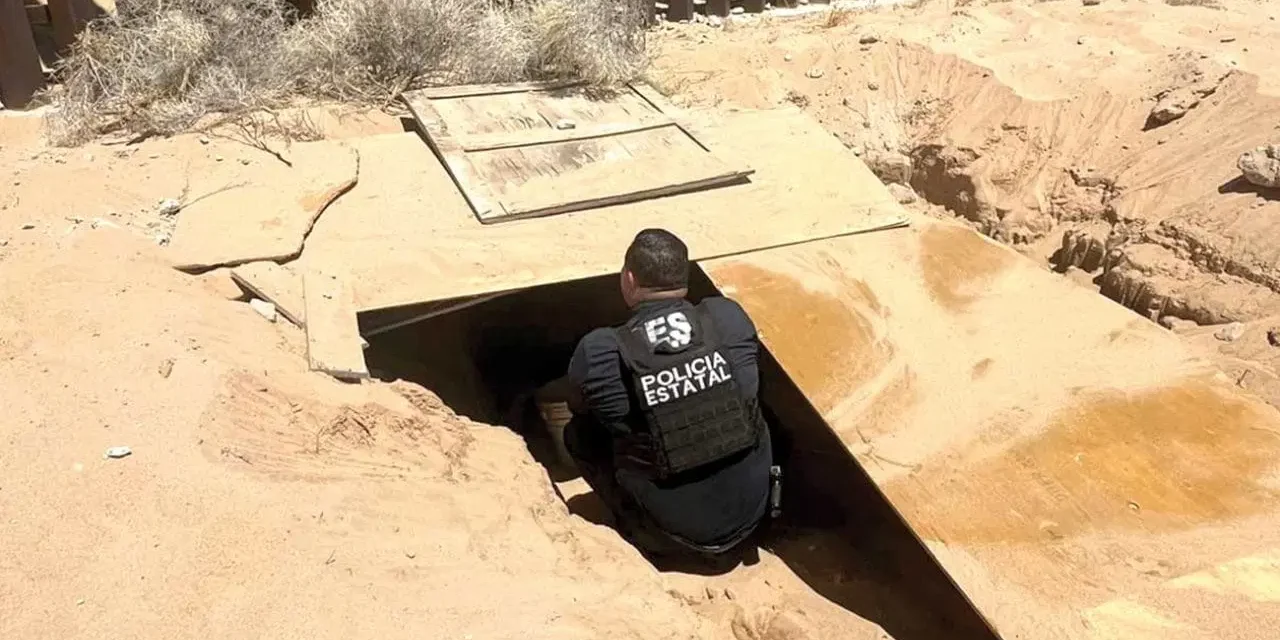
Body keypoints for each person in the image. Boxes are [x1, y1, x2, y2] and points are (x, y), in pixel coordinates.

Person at [541, 228, 775, 560]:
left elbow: (580, 406)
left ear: (630, 279)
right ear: (686, 275)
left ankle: (636, 531)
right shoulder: (727, 317)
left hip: (676, 537)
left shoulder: (600, 349)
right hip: (755, 515)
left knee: (579, 433)